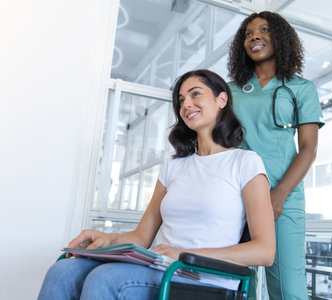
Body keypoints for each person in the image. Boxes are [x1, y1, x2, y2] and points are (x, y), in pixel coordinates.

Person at [38, 69, 275, 300]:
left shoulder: (245, 162)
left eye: (195, 94)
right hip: (160, 267)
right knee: (63, 271)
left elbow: (265, 251)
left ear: (221, 99)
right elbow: (142, 236)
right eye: (181, 100)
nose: (186, 105)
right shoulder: (174, 167)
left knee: (106, 278)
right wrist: (106, 238)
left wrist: (183, 254)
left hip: (203, 277)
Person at [228, 11, 325, 300]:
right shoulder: (230, 91)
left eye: (264, 30)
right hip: (234, 192)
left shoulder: (301, 88)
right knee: (235, 282)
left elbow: (309, 148)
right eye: (248, 33)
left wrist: (279, 194)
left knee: (288, 288)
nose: (255, 36)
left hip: (283, 195)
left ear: (280, 38)